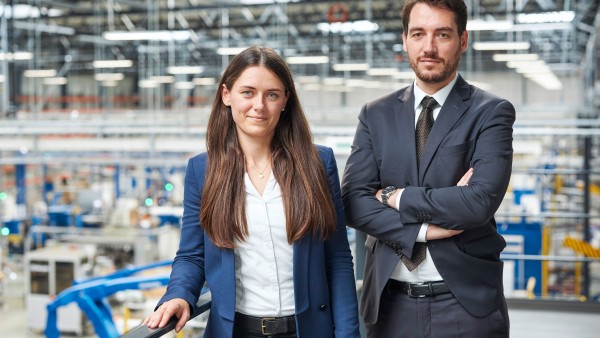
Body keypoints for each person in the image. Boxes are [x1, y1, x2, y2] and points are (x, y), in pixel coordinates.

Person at [144, 46, 360, 338]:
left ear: (285, 101)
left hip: (307, 330)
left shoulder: (318, 164)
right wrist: (179, 295)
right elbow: (192, 255)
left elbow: (337, 259)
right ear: (226, 96)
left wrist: (348, 334)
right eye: (248, 92)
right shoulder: (203, 170)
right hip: (236, 331)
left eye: (272, 94)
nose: (259, 105)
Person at [341, 1, 515, 337]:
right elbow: (353, 202)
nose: (429, 47)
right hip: (389, 306)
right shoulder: (375, 115)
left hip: (466, 305)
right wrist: (423, 230)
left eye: (443, 34)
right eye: (418, 34)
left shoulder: (491, 112)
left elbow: (477, 203)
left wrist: (395, 196)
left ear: (463, 40)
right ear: (405, 39)